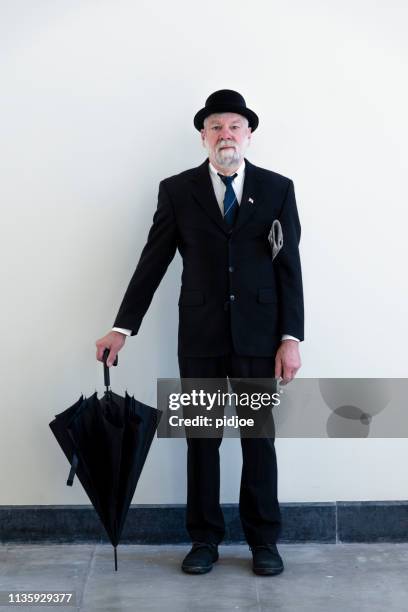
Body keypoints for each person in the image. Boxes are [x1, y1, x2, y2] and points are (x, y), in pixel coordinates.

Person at [95, 89, 304, 576]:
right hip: (202, 339)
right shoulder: (177, 189)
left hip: (260, 338)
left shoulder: (277, 189)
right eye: (216, 127)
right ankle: (204, 540)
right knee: (202, 440)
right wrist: (121, 327)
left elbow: (288, 267)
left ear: (248, 134)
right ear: (203, 136)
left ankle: (263, 543)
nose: (225, 134)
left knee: (258, 441)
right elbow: (153, 261)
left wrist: (290, 337)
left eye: (234, 126)